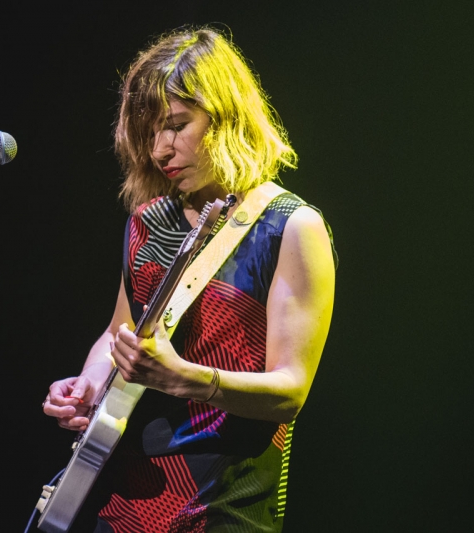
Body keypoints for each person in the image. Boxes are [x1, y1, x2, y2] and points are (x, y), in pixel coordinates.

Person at [41, 25, 337, 532]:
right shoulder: (146, 221)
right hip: (125, 494)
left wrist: (184, 379)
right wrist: (88, 385)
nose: (159, 149)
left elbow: (291, 390)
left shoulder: (291, 227)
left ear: (227, 118)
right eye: (150, 132)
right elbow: (119, 333)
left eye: (177, 125)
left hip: (227, 498)